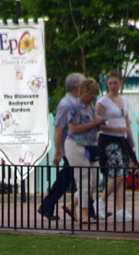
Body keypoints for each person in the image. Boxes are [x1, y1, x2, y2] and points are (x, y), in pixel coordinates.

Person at [37, 73, 85, 221]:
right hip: (69, 149)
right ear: (78, 86)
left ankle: (48, 206)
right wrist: (58, 152)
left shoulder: (73, 102)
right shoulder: (66, 104)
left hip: (73, 148)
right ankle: (48, 206)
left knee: (76, 179)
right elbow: (58, 128)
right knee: (75, 178)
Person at [95, 71, 138, 223]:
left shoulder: (125, 101)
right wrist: (115, 130)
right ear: (107, 84)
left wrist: (133, 146)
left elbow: (127, 125)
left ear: (120, 83)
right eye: (110, 83)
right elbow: (97, 125)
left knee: (122, 176)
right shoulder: (103, 102)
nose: (113, 86)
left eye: (115, 83)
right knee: (118, 173)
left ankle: (120, 210)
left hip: (123, 142)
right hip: (108, 141)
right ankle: (100, 202)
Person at [62, 78, 105, 222]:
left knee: (95, 180)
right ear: (83, 91)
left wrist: (98, 124)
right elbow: (73, 129)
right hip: (76, 145)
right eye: (91, 93)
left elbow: (90, 126)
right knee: (84, 180)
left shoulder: (90, 106)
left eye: (95, 93)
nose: (93, 96)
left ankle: (71, 204)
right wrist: (93, 122)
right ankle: (84, 214)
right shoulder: (76, 107)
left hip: (91, 147)